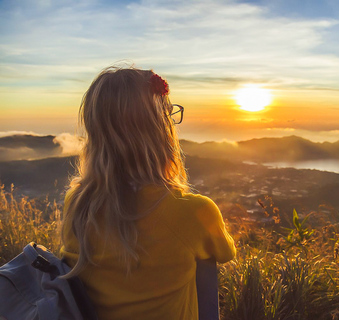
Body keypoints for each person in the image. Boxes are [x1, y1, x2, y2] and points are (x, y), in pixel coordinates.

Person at [61, 66, 236, 320]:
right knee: (204, 261)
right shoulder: (193, 212)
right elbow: (225, 252)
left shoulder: (76, 204)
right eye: (169, 115)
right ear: (159, 131)